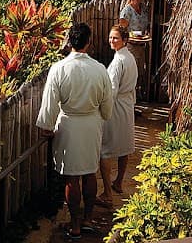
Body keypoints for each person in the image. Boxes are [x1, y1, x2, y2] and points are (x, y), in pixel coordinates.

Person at [36, 23, 112, 239]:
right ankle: (88, 219)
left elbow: (50, 103)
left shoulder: (59, 68)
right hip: (91, 125)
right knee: (90, 172)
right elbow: (107, 105)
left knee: (71, 177)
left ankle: (75, 225)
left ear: (69, 42)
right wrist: (102, 115)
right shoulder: (100, 69)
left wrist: (47, 125)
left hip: (69, 125)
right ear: (89, 42)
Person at [96, 24, 138, 207]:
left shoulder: (118, 61)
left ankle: (107, 193)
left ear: (125, 40)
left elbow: (111, 90)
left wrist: (102, 109)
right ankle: (118, 182)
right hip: (127, 105)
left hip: (116, 107)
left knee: (105, 150)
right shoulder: (130, 58)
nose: (112, 41)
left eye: (115, 38)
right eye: (110, 37)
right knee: (124, 146)